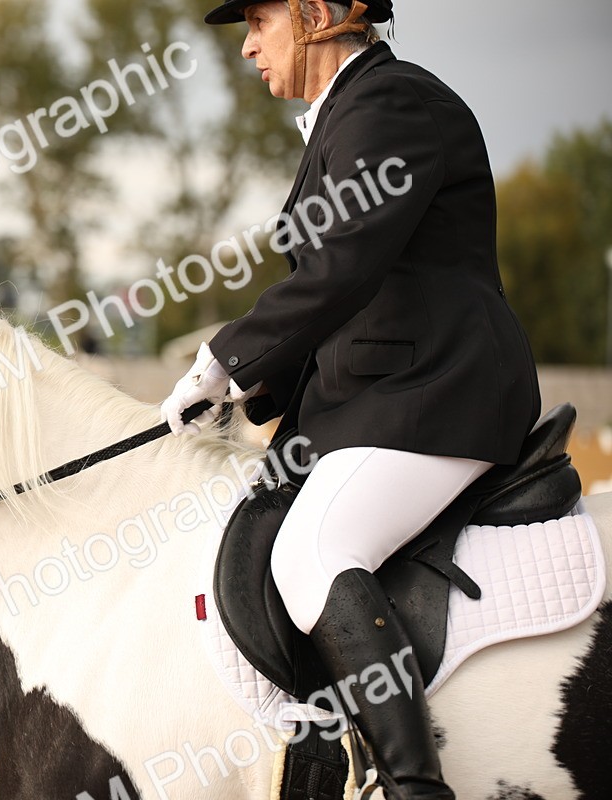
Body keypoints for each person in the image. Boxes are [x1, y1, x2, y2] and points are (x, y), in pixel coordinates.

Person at [160, 2, 541, 798]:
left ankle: (413, 786)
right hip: (386, 396)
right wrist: (252, 385)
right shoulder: (348, 115)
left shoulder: (394, 103)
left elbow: (341, 270)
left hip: (438, 393)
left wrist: (225, 359)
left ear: (315, 13)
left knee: (313, 551)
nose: (247, 46)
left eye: (258, 21)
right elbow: (345, 296)